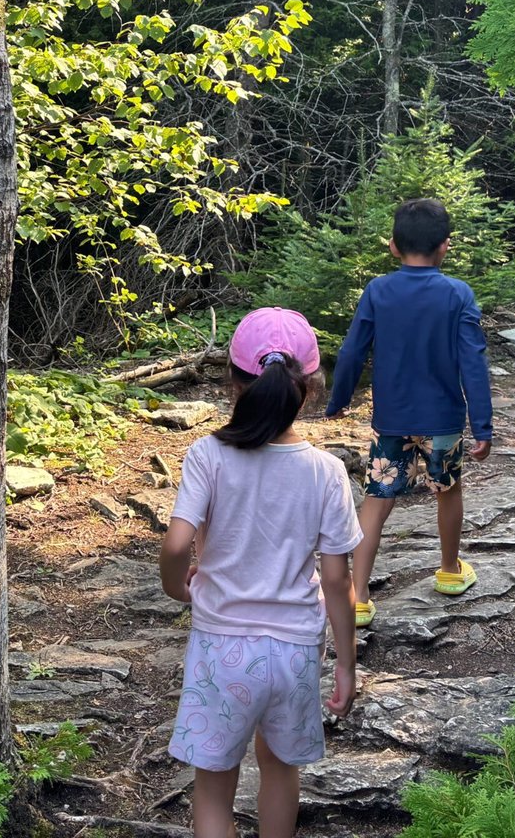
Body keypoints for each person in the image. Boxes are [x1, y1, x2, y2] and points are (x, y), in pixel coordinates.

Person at [160, 307, 362, 838]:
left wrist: (173, 583)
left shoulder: (208, 456)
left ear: (233, 380)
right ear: (311, 386)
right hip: (294, 649)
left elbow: (178, 542)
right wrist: (345, 664)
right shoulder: (327, 471)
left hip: (221, 648)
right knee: (278, 768)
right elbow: (338, 581)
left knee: (213, 784)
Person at [324, 198, 493, 622]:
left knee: (377, 498)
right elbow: (473, 362)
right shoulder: (458, 294)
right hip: (443, 419)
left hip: (392, 419)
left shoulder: (379, 290)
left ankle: (358, 597)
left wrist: (339, 399)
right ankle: (451, 571)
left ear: (393, 246)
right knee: (448, 489)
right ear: (445, 247)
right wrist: (483, 425)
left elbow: (351, 353)